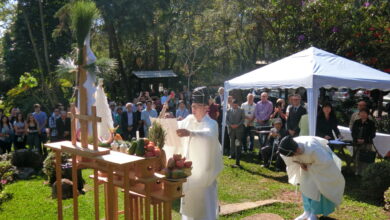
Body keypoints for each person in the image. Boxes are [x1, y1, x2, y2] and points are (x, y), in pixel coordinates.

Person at [176, 86, 223, 220]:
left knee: (205, 207)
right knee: (190, 205)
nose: (193, 110)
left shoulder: (212, 123)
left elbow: (209, 135)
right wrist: (166, 122)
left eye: (196, 107)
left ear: (205, 108)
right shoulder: (189, 119)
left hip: (205, 174)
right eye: (192, 106)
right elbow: (177, 126)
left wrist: (191, 133)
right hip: (190, 172)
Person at [279, 136, 345, 220]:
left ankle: (314, 213)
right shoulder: (286, 150)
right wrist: (300, 164)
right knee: (305, 186)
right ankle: (307, 211)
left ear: (296, 148)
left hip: (319, 167)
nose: (297, 154)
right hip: (306, 166)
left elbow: (325, 162)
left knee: (316, 188)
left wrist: (310, 166)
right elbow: (291, 160)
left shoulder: (313, 148)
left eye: (296, 152)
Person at [351, 108, 376, 176]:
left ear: (367, 115)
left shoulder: (371, 123)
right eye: (361, 113)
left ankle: (365, 173)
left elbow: (372, 134)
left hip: (367, 143)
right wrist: (356, 139)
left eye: (364, 113)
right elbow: (353, 132)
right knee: (357, 157)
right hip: (356, 142)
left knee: (365, 158)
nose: (363, 114)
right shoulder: (356, 122)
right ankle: (356, 171)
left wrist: (364, 140)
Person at [226, 99, 245, 167]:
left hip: (239, 129)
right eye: (234, 105)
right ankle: (232, 154)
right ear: (232, 104)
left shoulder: (241, 110)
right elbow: (226, 119)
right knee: (231, 142)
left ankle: (238, 155)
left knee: (238, 142)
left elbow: (243, 119)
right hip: (231, 129)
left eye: (236, 105)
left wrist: (238, 125)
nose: (235, 106)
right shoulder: (228, 110)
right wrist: (230, 125)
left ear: (238, 104)